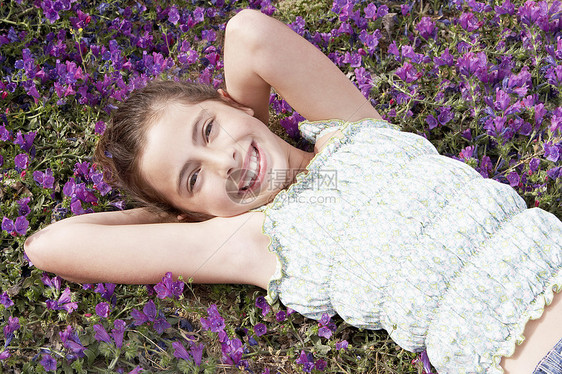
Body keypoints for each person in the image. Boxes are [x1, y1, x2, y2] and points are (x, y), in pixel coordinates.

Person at [23, 9, 561, 374]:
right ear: (195, 212)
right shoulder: (253, 240)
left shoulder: (352, 128)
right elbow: (48, 246)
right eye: (193, 179)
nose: (224, 160)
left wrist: (248, 125)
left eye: (208, 130)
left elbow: (249, 32)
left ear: (229, 103)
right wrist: (181, 222)